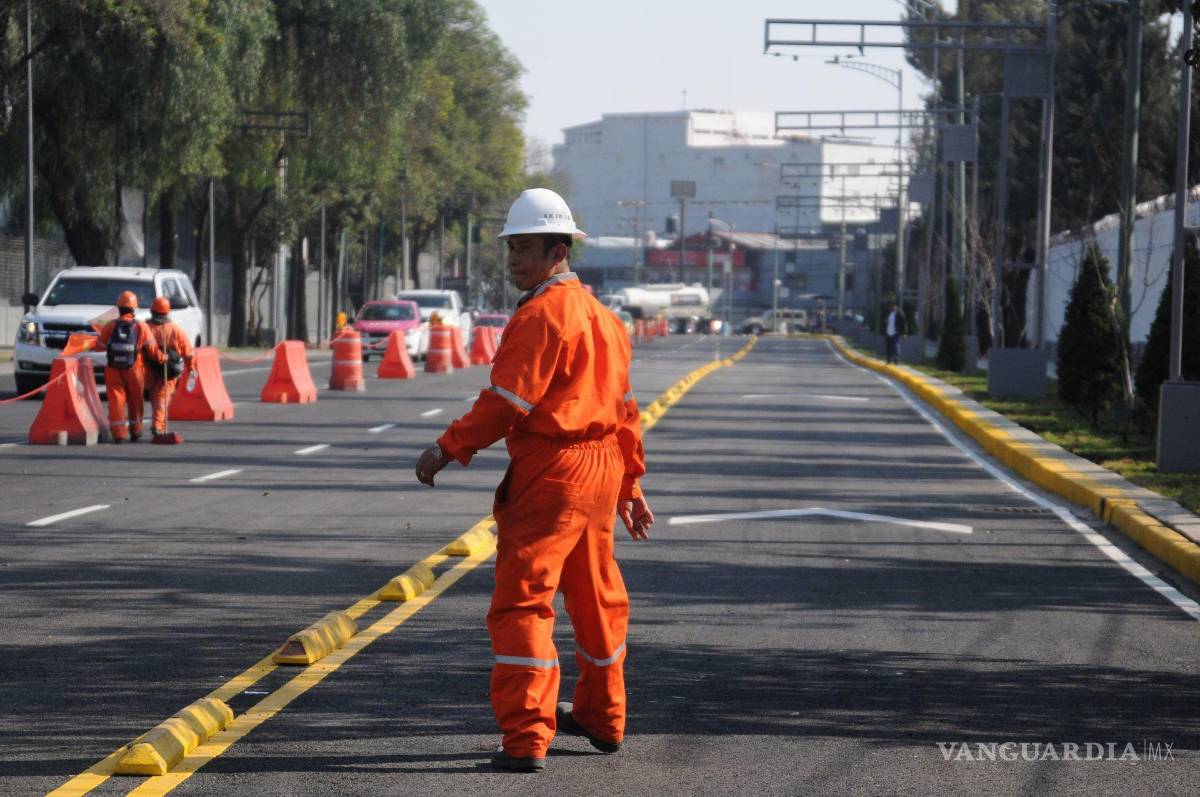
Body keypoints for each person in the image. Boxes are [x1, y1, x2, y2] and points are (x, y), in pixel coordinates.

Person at [415, 188, 654, 773]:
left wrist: (447, 447)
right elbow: (625, 409)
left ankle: (525, 737)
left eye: (525, 249)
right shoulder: (603, 317)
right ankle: (604, 717)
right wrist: (629, 486)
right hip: (600, 469)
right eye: (511, 249)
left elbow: (505, 402)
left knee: (523, 602)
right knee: (597, 598)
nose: (515, 261)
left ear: (559, 250)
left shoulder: (540, 316)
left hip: (554, 471)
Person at [92, 291, 164, 443]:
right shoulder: (141, 326)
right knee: (135, 399)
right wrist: (163, 358)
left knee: (116, 399)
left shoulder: (110, 326)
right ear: (134, 309)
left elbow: (99, 347)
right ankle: (135, 430)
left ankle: (118, 434)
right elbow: (152, 351)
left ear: (118, 308)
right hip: (135, 368)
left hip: (113, 369)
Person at [143, 296, 196, 441]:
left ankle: (157, 424)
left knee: (155, 397)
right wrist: (191, 368)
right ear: (167, 311)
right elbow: (188, 352)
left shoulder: (145, 328)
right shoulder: (175, 329)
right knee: (162, 397)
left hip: (149, 369)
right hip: (169, 370)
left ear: (152, 310)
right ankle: (158, 426)